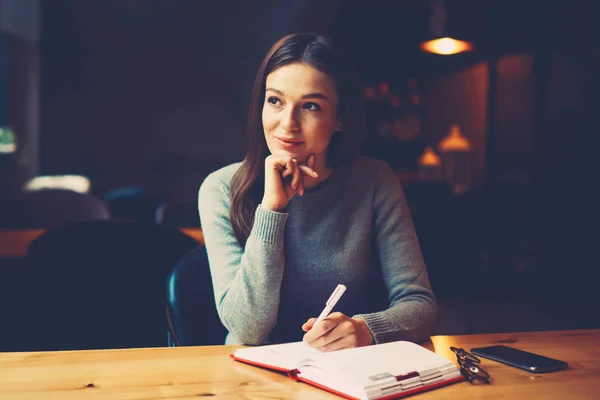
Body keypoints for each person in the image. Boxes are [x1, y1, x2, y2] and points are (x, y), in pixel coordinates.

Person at [199, 33, 437, 351]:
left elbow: (420, 305)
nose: (288, 123)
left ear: (339, 119)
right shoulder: (220, 188)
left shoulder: (373, 180)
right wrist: (272, 209)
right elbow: (248, 329)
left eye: (310, 106)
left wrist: (366, 329)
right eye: (275, 101)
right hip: (254, 379)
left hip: (349, 372)